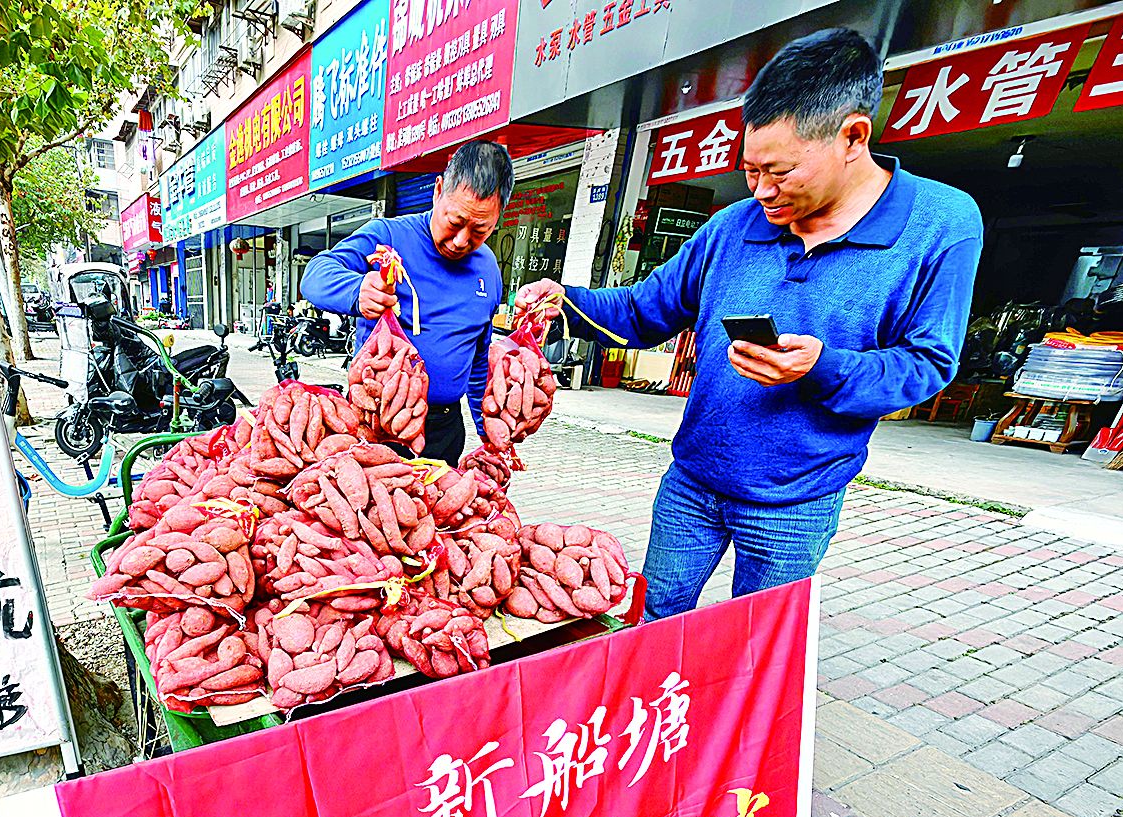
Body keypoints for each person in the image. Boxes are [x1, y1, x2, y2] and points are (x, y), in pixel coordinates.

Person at [516, 28, 981, 620]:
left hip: (797, 497)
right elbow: (644, 310)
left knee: (756, 643)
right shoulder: (733, 226)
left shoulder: (941, 223)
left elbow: (927, 364)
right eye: (750, 170)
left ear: (853, 137)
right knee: (650, 620)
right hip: (694, 478)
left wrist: (821, 366)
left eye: (779, 172)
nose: (760, 190)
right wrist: (564, 303)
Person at [302, 140, 513, 464]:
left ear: (497, 219)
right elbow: (314, 276)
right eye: (455, 222)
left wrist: (489, 435)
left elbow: (479, 360)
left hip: (443, 430)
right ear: (438, 191)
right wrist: (356, 291)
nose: (461, 240)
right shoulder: (388, 236)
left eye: (479, 230)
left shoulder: (488, 269)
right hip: (375, 424)